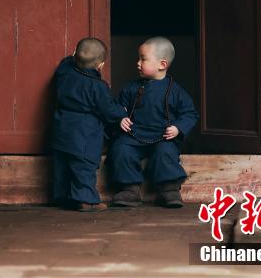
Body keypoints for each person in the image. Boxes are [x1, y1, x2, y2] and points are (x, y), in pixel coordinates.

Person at [110, 36, 199, 208]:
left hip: (162, 136)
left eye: (143, 59)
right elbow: (117, 106)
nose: (138, 63)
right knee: (121, 149)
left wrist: (178, 128)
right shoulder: (131, 88)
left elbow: (190, 113)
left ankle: (170, 189)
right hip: (134, 135)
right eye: (139, 58)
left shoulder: (175, 91)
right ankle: (130, 189)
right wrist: (120, 118)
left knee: (165, 153)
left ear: (162, 65)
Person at [51, 37, 126, 213]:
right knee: (83, 166)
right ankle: (86, 200)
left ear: (75, 54)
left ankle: (62, 196)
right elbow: (107, 109)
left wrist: (75, 56)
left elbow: (67, 61)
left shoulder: (64, 72)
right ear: (100, 65)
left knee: (61, 165)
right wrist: (121, 112)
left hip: (61, 128)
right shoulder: (98, 86)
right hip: (84, 134)